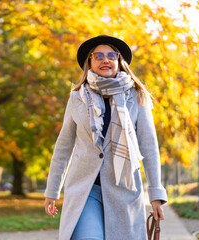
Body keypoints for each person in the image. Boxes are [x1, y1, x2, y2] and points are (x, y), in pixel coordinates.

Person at [44, 35, 167, 240]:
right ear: (89, 62)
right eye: (98, 55)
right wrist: (52, 191)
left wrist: (156, 195)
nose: (105, 60)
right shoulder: (77, 98)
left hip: (124, 192)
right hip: (85, 191)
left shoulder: (136, 96)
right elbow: (63, 147)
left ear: (120, 62)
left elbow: (149, 147)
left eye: (112, 55)